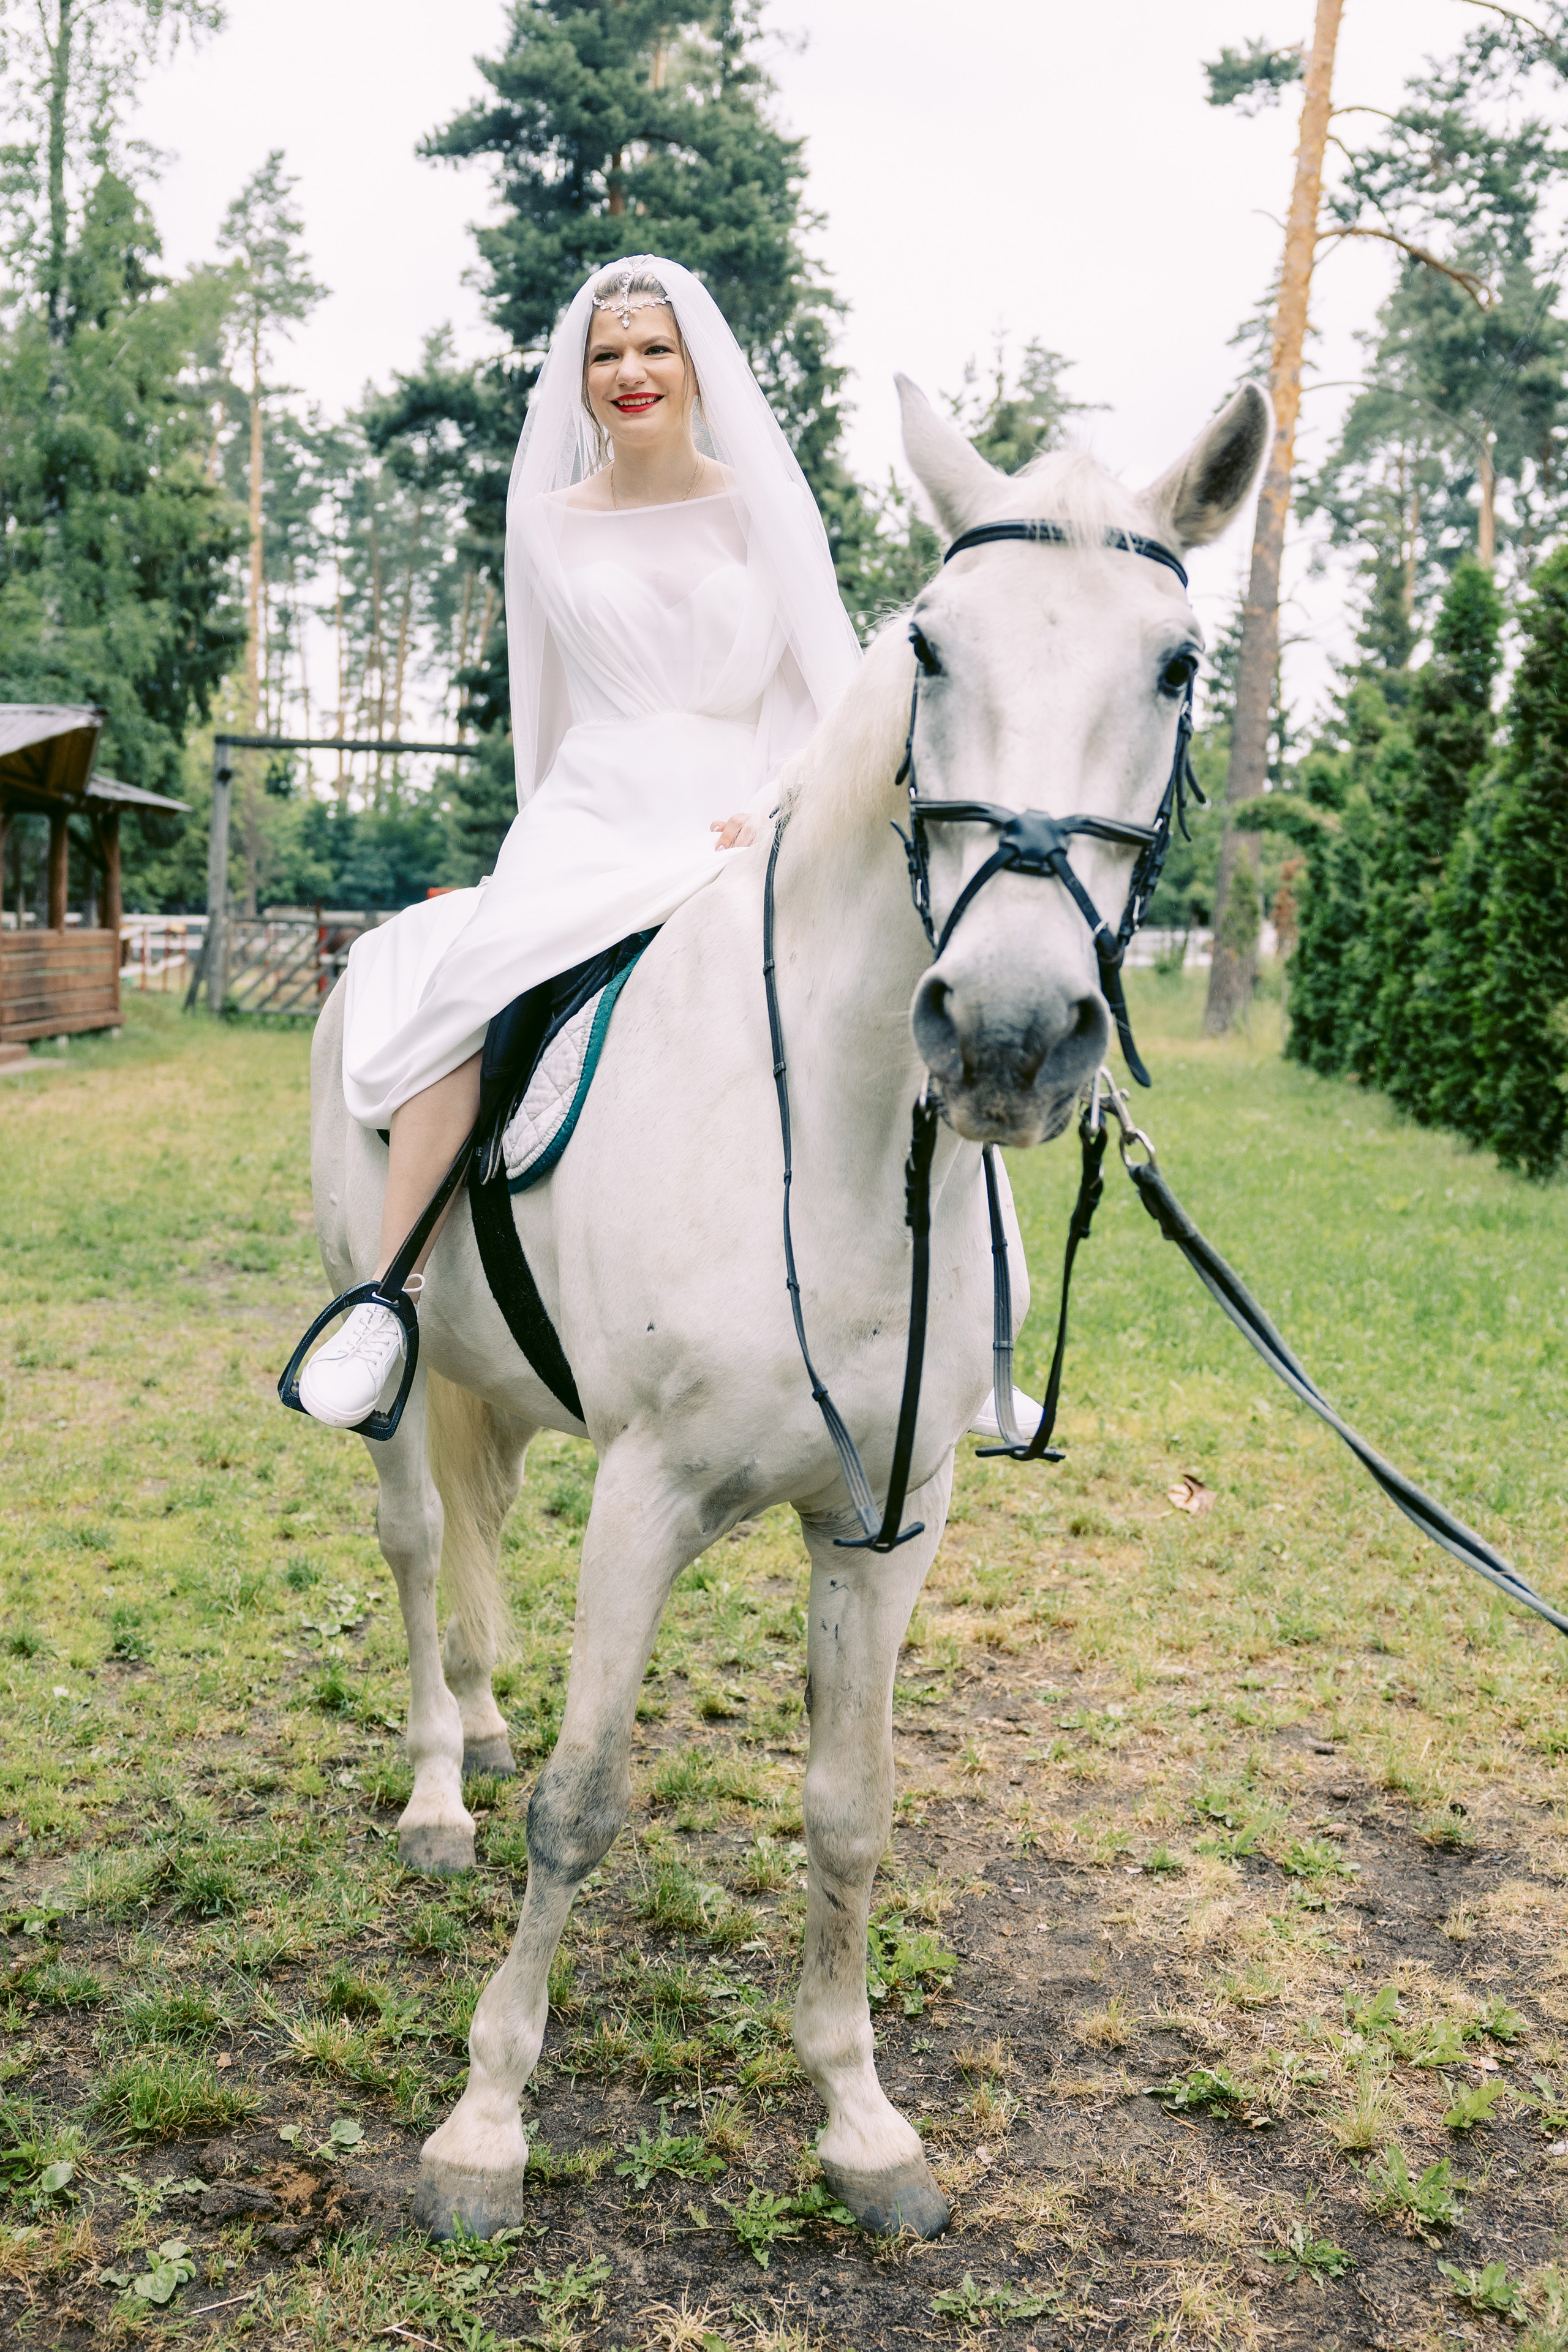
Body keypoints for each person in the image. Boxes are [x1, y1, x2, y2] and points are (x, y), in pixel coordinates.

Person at [298, 255, 862, 1427]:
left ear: (696, 366)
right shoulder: (546, 524)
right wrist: (537, 844)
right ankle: (384, 1301)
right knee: (466, 991)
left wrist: (776, 803)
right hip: (595, 806)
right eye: (606, 354)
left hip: (740, 808)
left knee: (878, 982)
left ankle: (977, 1305)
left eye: (653, 348)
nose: (630, 372)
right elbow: (545, 709)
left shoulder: (765, 506)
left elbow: (833, 688)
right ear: (580, 377)